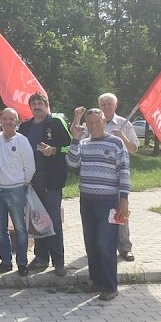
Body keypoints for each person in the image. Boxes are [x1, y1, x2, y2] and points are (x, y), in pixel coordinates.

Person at [67, 108, 131, 301]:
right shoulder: (84, 143)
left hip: (108, 201)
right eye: (90, 123)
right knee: (92, 242)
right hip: (87, 200)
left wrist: (124, 199)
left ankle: (110, 286)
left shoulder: (116, 142)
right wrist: (75, 139)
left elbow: (124, 171)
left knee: (105, 244)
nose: (94, 126)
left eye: (97, 121)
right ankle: (96, 282)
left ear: (104, 121)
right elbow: (71, 163)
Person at [72, 92, 139, 262]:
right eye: (103, 104)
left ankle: (124, 247)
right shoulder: (91, 123)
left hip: (117, 178)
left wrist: (121, 136)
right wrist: (77, 117)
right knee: (99, 221)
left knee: (120, 214)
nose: (107, 107)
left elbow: (134, 149)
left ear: (115, 106)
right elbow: (77, 137)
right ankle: (99, 247)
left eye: (110, 104)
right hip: (95, 180)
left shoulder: (124, 123)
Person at [17, 92, 71, 277]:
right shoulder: (24, 127)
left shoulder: (55, 123)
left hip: (51, 180)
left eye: (40, 103)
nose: (37, 106)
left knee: (54, 221)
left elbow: (70, 146)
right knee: (37, 219)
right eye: (34, 104)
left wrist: (54, 150)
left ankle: (59, 261)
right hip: (32, 181)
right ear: (30, 107)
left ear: (46, 105)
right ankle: (41, 258)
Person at [0, 107, 36, 276]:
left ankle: (22, 263)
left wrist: (23, 184)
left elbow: (30, 167)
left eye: (11, 119)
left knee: (20, 229)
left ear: (17, 122)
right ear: (0, 121)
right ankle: (6, 262)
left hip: (16, 191)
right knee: (1, 229)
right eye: (4, 119)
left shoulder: (22, 141)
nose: (7, 122)